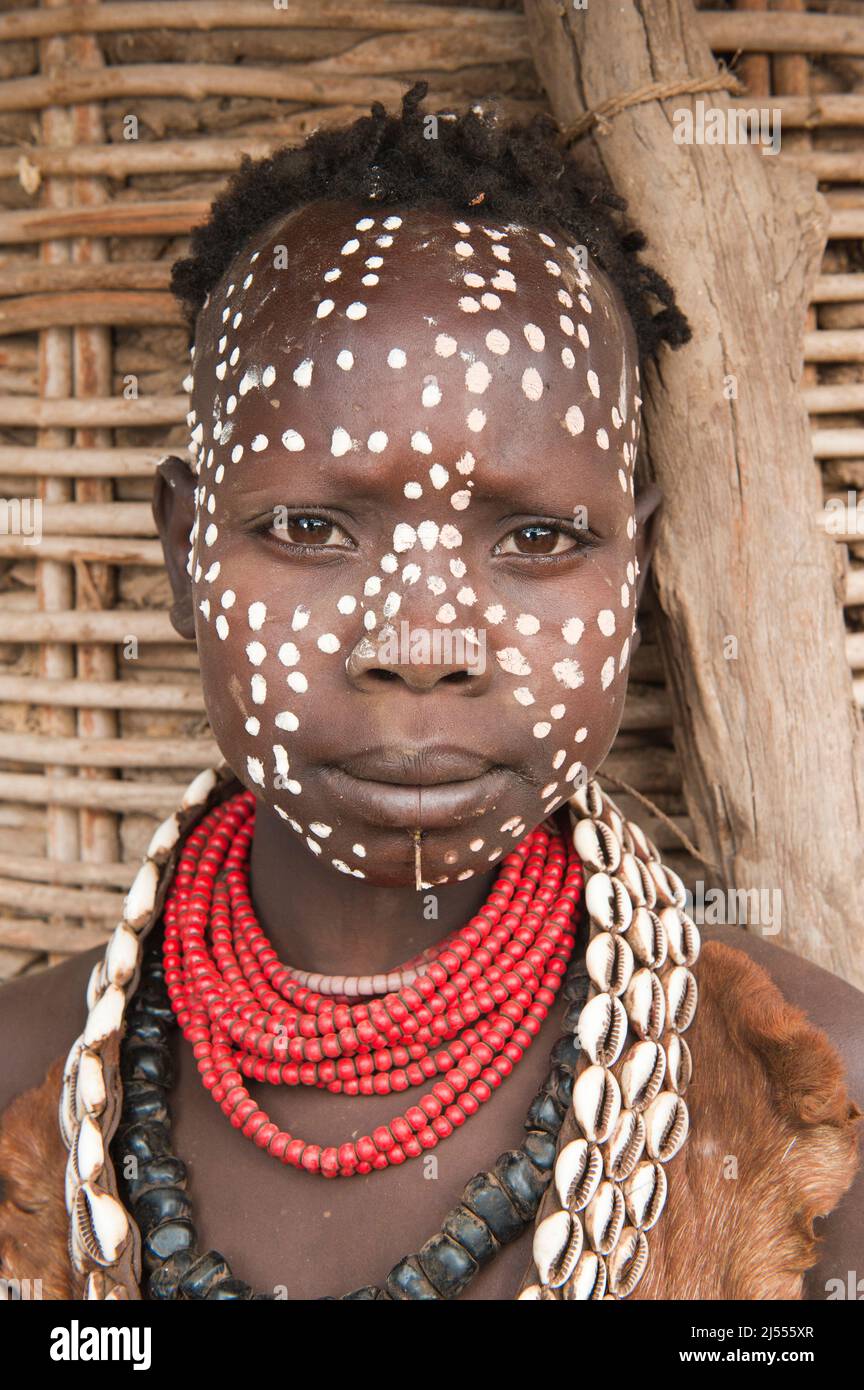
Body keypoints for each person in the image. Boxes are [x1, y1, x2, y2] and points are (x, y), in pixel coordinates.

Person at [0, 83, 860, 1303]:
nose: (422, 638)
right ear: (185, 554)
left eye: (539, 538)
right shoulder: (27, 1083)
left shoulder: (808, 1101)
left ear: (637, 572)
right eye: (308, 527)